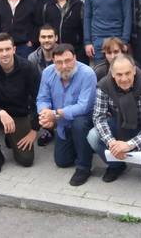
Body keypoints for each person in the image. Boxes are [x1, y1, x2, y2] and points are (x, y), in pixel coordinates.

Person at [87, 55, 141, 187]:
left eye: (128, 73)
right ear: (112, 74)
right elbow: (99, 117)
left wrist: (130, 145)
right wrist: (111, 142)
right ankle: (116, 165)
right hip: (118, 124)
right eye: (119, 74)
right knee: (92, 136)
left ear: (134, 70)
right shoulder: (103, 86)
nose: (124, 79)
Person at [0, 33, 40, 175]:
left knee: (26, 160)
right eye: (0, 50)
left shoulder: (28, 68)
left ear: (14, 49)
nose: (4, 54)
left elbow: (38, 99)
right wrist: (0, 112)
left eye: (7, 49)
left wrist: (34, 129)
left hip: (19, 114)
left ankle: (10, 137)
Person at [36, 44, 97, 186]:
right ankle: (83, 147)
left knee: (79, 123)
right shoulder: (47, 72)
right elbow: (42, 99)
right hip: (62, 123)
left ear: (75, 58)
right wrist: (45, 114)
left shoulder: (87, 73)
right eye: (59, 62)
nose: (64, 66)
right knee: (62, 162)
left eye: (68, 60)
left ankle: (84, 167)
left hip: (85, 119)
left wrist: (55, 114)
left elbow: (83, 106)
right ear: (53, 61)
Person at [41, 0, 86, 64]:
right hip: (55, 53)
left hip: (76, 52)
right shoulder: (47, 7)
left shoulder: (78, 5)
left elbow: (84, 29)